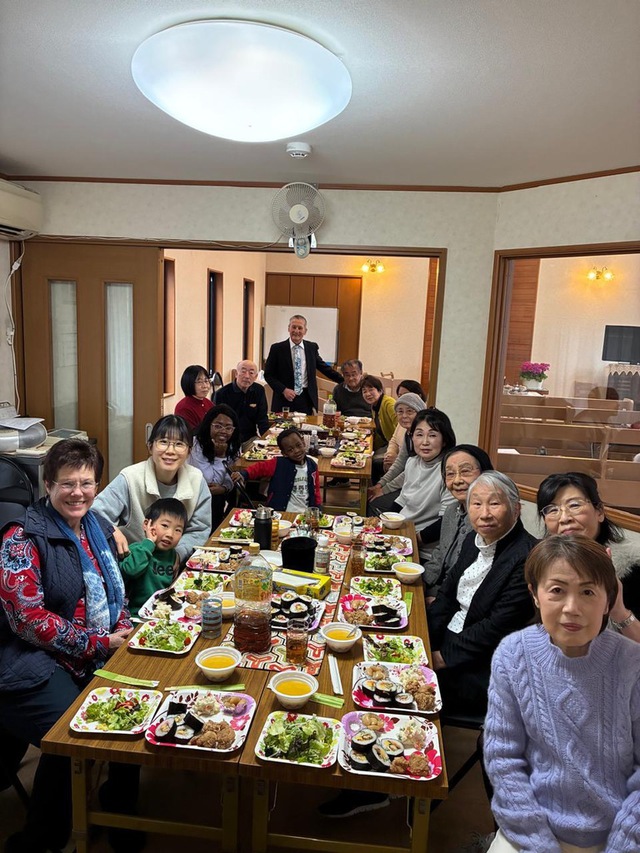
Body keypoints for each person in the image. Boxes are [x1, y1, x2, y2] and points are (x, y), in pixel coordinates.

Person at [0, 439, 134, 853]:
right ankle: (44, 837)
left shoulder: (93, 525)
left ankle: (120, 813)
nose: (78, 492)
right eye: (67, 484)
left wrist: (123, 628)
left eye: (87, 483)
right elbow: (28, 620)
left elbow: (116, 594)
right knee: (71, 731)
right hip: (29, 660)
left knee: (137, 702)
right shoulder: (21, 539)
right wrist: (98, 643)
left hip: (85, 653)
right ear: (48, 484)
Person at [484, 536, 640, 853]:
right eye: (556, 590)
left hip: (618, 834)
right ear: (535, 595)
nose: (571, 608)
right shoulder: (513, 656)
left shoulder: (631, 663)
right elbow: (503, 760)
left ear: (608, 601)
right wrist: (539, 844)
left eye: (587, 592)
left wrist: (622, 844)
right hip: (532, 831)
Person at [427, 471, 537, 716]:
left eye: (495, 503)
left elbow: (496, 627)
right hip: (449, 636)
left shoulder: (528, 557)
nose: (484, 513)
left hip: (482, 662)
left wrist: (439, 657)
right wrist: (426, 638)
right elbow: (446, 595)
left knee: (404, 687)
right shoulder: (472, 540)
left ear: (516, 509)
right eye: (476, 504)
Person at [93, 415, 211, 563]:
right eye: (163, 442)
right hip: (133, 566)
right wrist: (111, 530)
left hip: (175, 566)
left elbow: (199, 530)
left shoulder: (197, 480)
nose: (170, 451)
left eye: (179, 444)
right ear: (150, 446)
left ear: (189, 451)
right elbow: (94, 514)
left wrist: (176, 557)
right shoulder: (130, 478)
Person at [537, 471, 640, 641]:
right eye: (552, 509)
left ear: (599, 511)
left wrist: (618, 611)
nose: (564, 518)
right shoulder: (540, 563)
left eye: (575, 505)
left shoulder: (632, 567)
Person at [379, 407, 457, 558]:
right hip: (403, 534)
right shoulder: (412, 462)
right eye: (419, 434)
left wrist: (413, 540)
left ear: (445, 440)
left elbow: (446, 522)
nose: (425, 442)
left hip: (425, 549)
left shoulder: (449, 471)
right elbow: (403, 500)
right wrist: (382, 521)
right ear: (411, 437)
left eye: (433, 435)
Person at [424, 444, 494, 603]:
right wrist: (420, 581)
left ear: (485, 473)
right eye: (450, 474)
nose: (457, 480)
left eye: (465, 471)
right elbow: (441, 552)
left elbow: (475, 579)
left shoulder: (488, 521)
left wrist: (438, 599)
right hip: (435, 588)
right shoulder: (451, 510)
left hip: (459, 600)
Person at [119, 497, 187, 616]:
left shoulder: (173, 555)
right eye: (165, 525)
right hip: (135, 615)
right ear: (147, 524)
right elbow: (130, 570)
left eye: (178, 530)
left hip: (162, 613)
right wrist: (149, 543)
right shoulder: (137, 549)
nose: (170, 534)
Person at [264, 314, 343, 414]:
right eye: (293, 327)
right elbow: (268, 375)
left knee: (305, 427)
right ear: (289, 328)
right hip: (284, 399)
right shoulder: (277, 348)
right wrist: (283, 390)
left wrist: (344, 381)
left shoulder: (311, 348)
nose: (296, 331)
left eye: (300, 328)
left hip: (306, 399)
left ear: (305, 331)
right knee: (283, 428)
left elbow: (324, 368)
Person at [238, 427, 321, 511]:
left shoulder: (312, 465)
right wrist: (243, 474)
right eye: (290, 450)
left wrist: (318, 507)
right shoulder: (278, 463)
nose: (296, 451)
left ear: (303, 442)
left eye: (298, 445)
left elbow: (316, 489)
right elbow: (259, 468)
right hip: (279, 512)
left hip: (304, 514)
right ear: (284, 453)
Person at [368, 392, 426, 510]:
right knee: (371, 496)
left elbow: (411, 472)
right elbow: (399, 463)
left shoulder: (422, 438)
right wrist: (380, 484)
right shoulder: (408, 433)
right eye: (400, 411)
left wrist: (384, 490)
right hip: (409, 484)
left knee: (376, 503)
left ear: (420, 413)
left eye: (410, 411)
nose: (404, 415)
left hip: (420, 489)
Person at [190, 404, 242, 529]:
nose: (223, 431)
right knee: (215, 498)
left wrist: (225, 488)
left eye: (228, 427)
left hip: (220, 492)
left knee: (237, 489)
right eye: (218, 426)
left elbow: (232, 475)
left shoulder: (233, 444)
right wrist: (220, 456)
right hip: (196, 491)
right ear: (209, 425)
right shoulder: (196, 444)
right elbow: (210, 481)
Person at [214, 359, 269, 447]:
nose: (247, 376)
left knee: (261, 452)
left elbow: (262, 418)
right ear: (236, 373)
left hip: (250, 439)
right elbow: (217, 422)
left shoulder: (259, 390)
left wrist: (266, 439)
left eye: (251, 373)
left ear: (256, 376)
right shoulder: (222, 393)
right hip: (228, 440)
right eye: (243, 371)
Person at [174, 364, 213, 432]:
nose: (205, 386)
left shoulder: (207, 402)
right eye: (199, 382)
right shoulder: (184, 407)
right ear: (189, 383)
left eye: (206, 381)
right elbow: (190, 434)